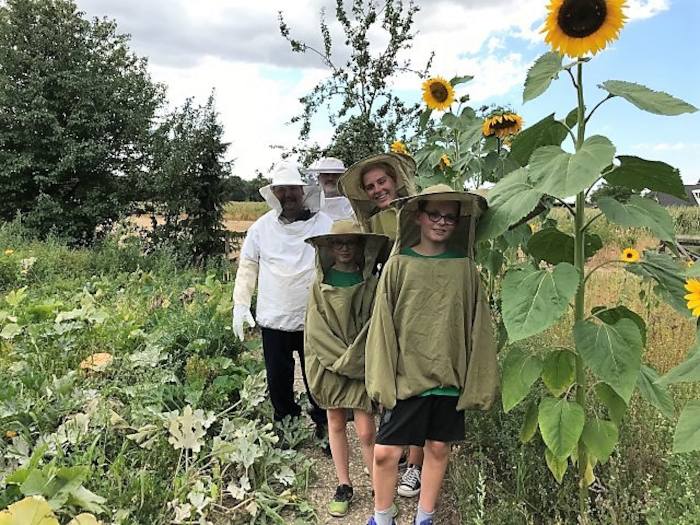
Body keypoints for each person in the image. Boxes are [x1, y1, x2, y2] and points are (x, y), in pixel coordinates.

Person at [364, 184, 499, 525]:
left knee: (438, 448)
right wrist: (382, 379)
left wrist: (477, 380)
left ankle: (425, 517)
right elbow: (382, 325)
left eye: (450, 217)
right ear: (419, 216)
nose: (441, 222)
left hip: (449, 377)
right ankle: (383, 517)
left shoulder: (465, 268)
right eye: (434, 214)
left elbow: (477, 327)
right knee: (385, 454)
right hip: (407, 377)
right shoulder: (399, 264)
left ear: (458, 222)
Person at [339, 152, 426, 497]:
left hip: (418, 303)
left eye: (381, 182)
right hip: (387, 305)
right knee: (393, 379)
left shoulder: (418, 212)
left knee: (419, 380)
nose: (377, 189)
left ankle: (416, 466)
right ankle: (402, 451)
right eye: (370, 186)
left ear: (395, 180)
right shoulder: (373, 223)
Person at [231, 162, 332, 436]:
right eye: (281, 190)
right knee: (279, 378)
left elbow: (340, 261)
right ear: (273, 194)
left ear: (303, 191)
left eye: (292, 189)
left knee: (317, 376)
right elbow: (248, 266)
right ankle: (286, 424)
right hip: (274, 318)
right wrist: (240, 304)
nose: (287, 195)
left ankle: (325, 426)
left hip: (315, 317)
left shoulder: (325, 224)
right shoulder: (261, 228)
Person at [304, 220, 390, 517]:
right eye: (338, 243)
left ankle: (379, 486)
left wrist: (354, 361)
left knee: (367, 430)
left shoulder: (372, 284)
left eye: (350, 243)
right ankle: (344, 484)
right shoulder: (319, 283)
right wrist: (340, 360)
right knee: (336, 423)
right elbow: (316, 330)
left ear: (360, 247)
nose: (343, 248)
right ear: (328, 247)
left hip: (361, 367)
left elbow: (374, 327)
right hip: (330, 367)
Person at [306, 157, 355, 222]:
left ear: (343, 179)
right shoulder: (309, 206)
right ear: (319, 178)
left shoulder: (353, 206)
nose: (330, 178)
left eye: (335, 175)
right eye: (326, 174)